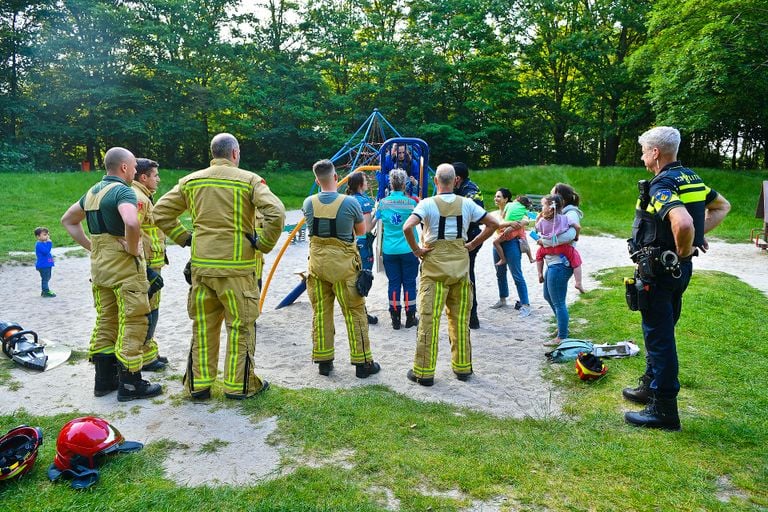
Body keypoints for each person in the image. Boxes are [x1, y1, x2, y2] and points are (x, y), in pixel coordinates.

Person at [153, 133, 285, 400]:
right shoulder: (249, 180)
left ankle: (198, 385)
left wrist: (185, 238)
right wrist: (264, 244)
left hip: (202, 269)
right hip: (237, 269)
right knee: (240, 326)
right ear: (235, 153)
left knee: (203, 325)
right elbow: (277, 212)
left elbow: (160, 212)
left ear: (212, 153)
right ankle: (240, 386)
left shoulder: (191, 181)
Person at [623, 126, 730, 430]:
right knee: (660, 331)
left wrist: (685, 246)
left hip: (660, 271)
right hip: (678, 272)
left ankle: (664, 408)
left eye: (644, 151)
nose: (643, 157)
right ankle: (649, 384)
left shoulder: (663, 184)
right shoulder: (691, 177)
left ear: (655, 152)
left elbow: (682, 223)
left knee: (660, 337)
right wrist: (694, 239)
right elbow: (722, 206)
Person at [61, 147, 162, 402]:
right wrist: (131, 246)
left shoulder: (93, 192)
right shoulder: (122, 191)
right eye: (134, 167)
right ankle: (130, 384)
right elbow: (131, 222)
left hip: (100, 267)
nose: (137, 171)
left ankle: (104, 380)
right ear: (124, 167)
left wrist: (91, 245)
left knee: (106, 319)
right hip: (124, 269)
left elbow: (68, 220)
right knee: (134, 320)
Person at [402, 164, 499, 386]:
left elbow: (408, 227)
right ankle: (462, 368)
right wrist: (473, 243)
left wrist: (417, 249)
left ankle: (424, 372)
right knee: (459, 320)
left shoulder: (426, 204)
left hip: (434, 269)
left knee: (429, 320)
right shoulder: (467, 204)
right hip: (460, 269)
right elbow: (493, 223)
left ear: (436, 181)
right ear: (455, 181)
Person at [302, 159, 381, 378]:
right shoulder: (349, 203)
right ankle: (363, 363)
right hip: (344, 266)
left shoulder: (309, 203)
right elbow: (362, 231)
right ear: (336, 177)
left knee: (321, 313)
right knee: (355, 312)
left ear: (317, 180)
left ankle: (324, 361)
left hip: (317, 265)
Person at [131, 158, 169, 372]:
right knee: (148, 311)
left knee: (152, 309)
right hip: (146, 265)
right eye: (155, 175)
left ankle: (149, 352)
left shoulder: (144, 196)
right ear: (143, 177)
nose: (158, 179)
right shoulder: (139, 198)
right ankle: (145, 357)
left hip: (153, 262)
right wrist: (143, 266)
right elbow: (131, 229)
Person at [376, 169, 420, 330]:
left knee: (393, 283)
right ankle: (410, 316)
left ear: (390, 183)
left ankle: (395, 318)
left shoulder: (383, 203)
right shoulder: (411, 203)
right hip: (409, 248)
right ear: (404, 184)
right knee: (409, 283)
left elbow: (376, 221)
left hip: (389, 249)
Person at [452, 162, 485, 329]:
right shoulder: (463, 188)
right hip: (466, 237)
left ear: (457, 178)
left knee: (467, 276)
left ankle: (472, 315)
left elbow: (477, 216)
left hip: (470, 238)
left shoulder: (470, 192)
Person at [489, 189, 532, 317]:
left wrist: (519, 223)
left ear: (506, 199)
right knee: (500, 272)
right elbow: (495, 225)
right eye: (495, 196)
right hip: (498, 244)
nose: (495, 199)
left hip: (512, 243)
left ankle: (525, 304)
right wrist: (511, 224)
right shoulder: (494, 213)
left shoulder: (516, 209)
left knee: (517, 274)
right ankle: (503, 299)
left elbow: (527, 219)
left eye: (498, 196)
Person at [346, 171, 378, 324]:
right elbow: (366, 228)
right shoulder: (364, 202)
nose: (367, 183)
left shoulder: (347, 199)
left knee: (352, 277)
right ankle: (362, 313)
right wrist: (378, 215)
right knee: (363, 277)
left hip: (349, 242)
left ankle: (357, 310)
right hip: (363, 243)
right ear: (360, 184)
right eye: (365, 181)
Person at [533, 194, 583, 291]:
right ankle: (578, 282)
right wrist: (576, 237)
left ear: (551, 209)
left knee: (538, 256)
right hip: (562, 248)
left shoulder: (542, 221)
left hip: (545, 248)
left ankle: (539, 273)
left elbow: (536, 229)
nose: (542, 207)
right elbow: (578, 227)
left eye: (543, 205)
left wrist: (538, 219)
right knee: (575, 257)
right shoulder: (565, 218)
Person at [492, 194, 534, 267]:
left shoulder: (509, 205)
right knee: (525, 241)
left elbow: (502, 218)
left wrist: (508, 223)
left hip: (509, 232)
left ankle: (503, 259)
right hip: (518, 229)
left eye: (498, 196)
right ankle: (530, 258)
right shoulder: (524, 209)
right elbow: (530, 219)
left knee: (495, 242)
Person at [34, 227, 56, 297]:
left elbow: (48, 255)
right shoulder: (39, 244)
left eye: (47, 234)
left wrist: (51, 262)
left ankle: (44, 291)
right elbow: (46, 252)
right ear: (38, 236)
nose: (47, 236)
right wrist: (50, 243)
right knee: (45, 278)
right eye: (45, 234)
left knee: (48, 277)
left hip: (47, 264)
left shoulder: (44, 243)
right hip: (43, 265)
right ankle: (45, 291)